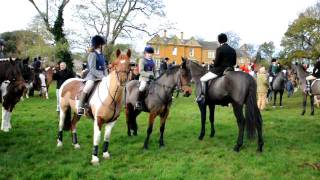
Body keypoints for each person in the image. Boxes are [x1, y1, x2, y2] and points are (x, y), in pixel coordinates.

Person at [197, 33, 237, 102]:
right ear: (226, 40)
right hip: (231, 70)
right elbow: (234, 63)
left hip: (220, 70)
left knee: (202, 79)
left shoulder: (219, 49)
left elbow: (216, 63)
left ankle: (203, 96)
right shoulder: (233, 50)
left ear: (219, 41)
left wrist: (214, 62)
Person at [78, 35, 107, 115]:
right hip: (92, 76)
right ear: (99, 45)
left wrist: (106, 77)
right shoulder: (92, 54)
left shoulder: (102, 55)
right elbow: (92, 69)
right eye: (103, 45)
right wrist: (102, 77)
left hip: (102, 76)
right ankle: (81, 106)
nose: (103, 46)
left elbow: (104, 68)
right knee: (88, 87)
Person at [135, 46, 156, 110]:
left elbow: (154, 70)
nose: (150, 55)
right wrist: (149, 75)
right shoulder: (142, 60)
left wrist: (156, 76)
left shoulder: (153, 61)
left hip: (152, 78)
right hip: (143, 78)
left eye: (151, 53)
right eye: (148, 53)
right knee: (142, 87)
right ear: (145, 53)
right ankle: (138, 101)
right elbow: (141, 71)